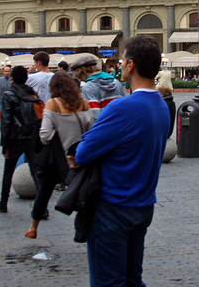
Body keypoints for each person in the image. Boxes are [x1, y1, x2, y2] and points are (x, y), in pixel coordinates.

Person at [71, 35, 170, 286]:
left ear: (131, 65)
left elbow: (83, 153)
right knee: (132, 279)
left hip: (114, 206)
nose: (120, 62)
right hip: (143, 204)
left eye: (123, 58)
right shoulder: (161, 104)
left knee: (109, 282)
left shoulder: (121, 108)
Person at [26, 72, 94, 238]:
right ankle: (85, 231)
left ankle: (33, 227)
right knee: (84, 195)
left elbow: (45, 136)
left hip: (57, 159)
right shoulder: (84, 104)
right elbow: (91, 131)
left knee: (45, 190)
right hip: (80, 157)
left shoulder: (52, 104)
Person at [0, 65, 40, 212]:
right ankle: (42, 207)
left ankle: (3, 203)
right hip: (31, 138)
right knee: (36, 172)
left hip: (15, 139)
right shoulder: (33, 94)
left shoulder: (9, 95)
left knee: (8, 171)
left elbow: (6, 122)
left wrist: (4, 144)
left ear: (12, 78)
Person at [72, 54, 126, 119]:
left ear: (83, 72)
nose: (81, 79)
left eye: (79, 76)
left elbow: (94, 116)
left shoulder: (88, 88)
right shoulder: (117, 83)